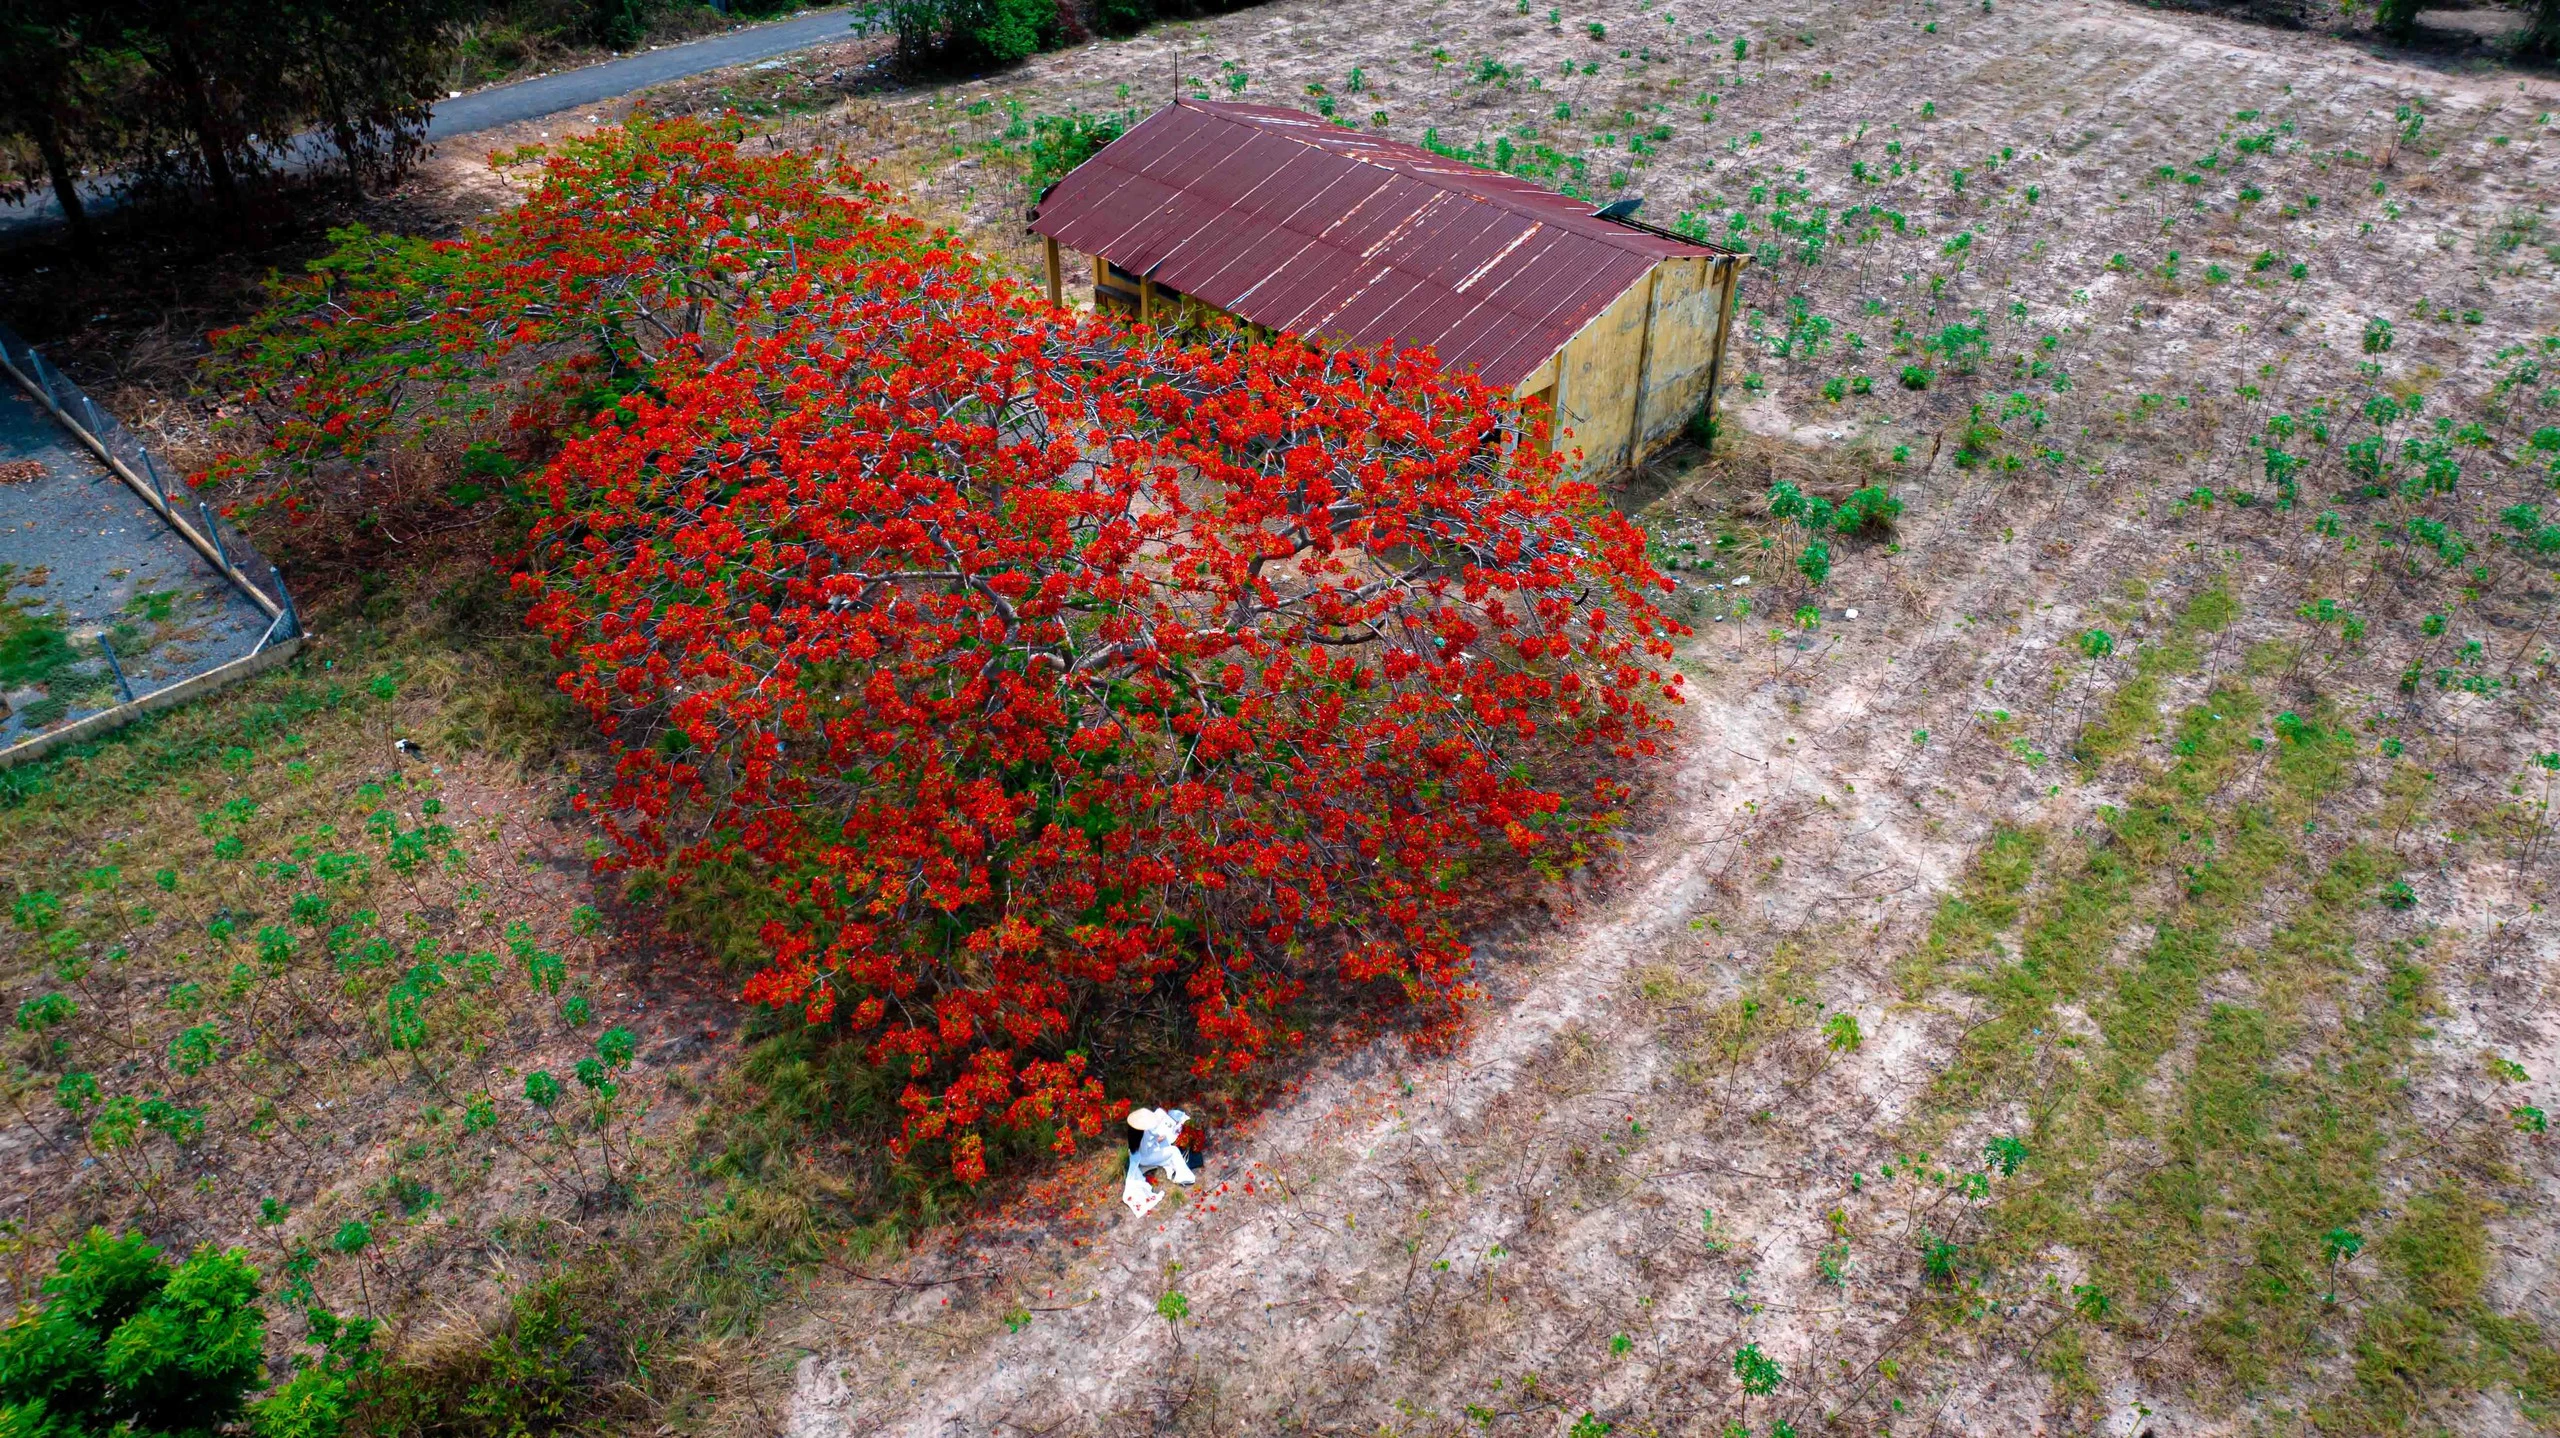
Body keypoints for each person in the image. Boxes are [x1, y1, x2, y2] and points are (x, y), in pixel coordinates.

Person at [1121, 1107, 1206, 1217]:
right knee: (1174, 1151)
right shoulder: (1146, 1132)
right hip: (1146, 1157)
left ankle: (1178, 1171)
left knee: (1165, 1143)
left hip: (1140, 1155)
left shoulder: (1134, 1132)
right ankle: (1184, 1177)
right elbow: (1148, 1146)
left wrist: (1156, 1140)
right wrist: (1158, 1139)